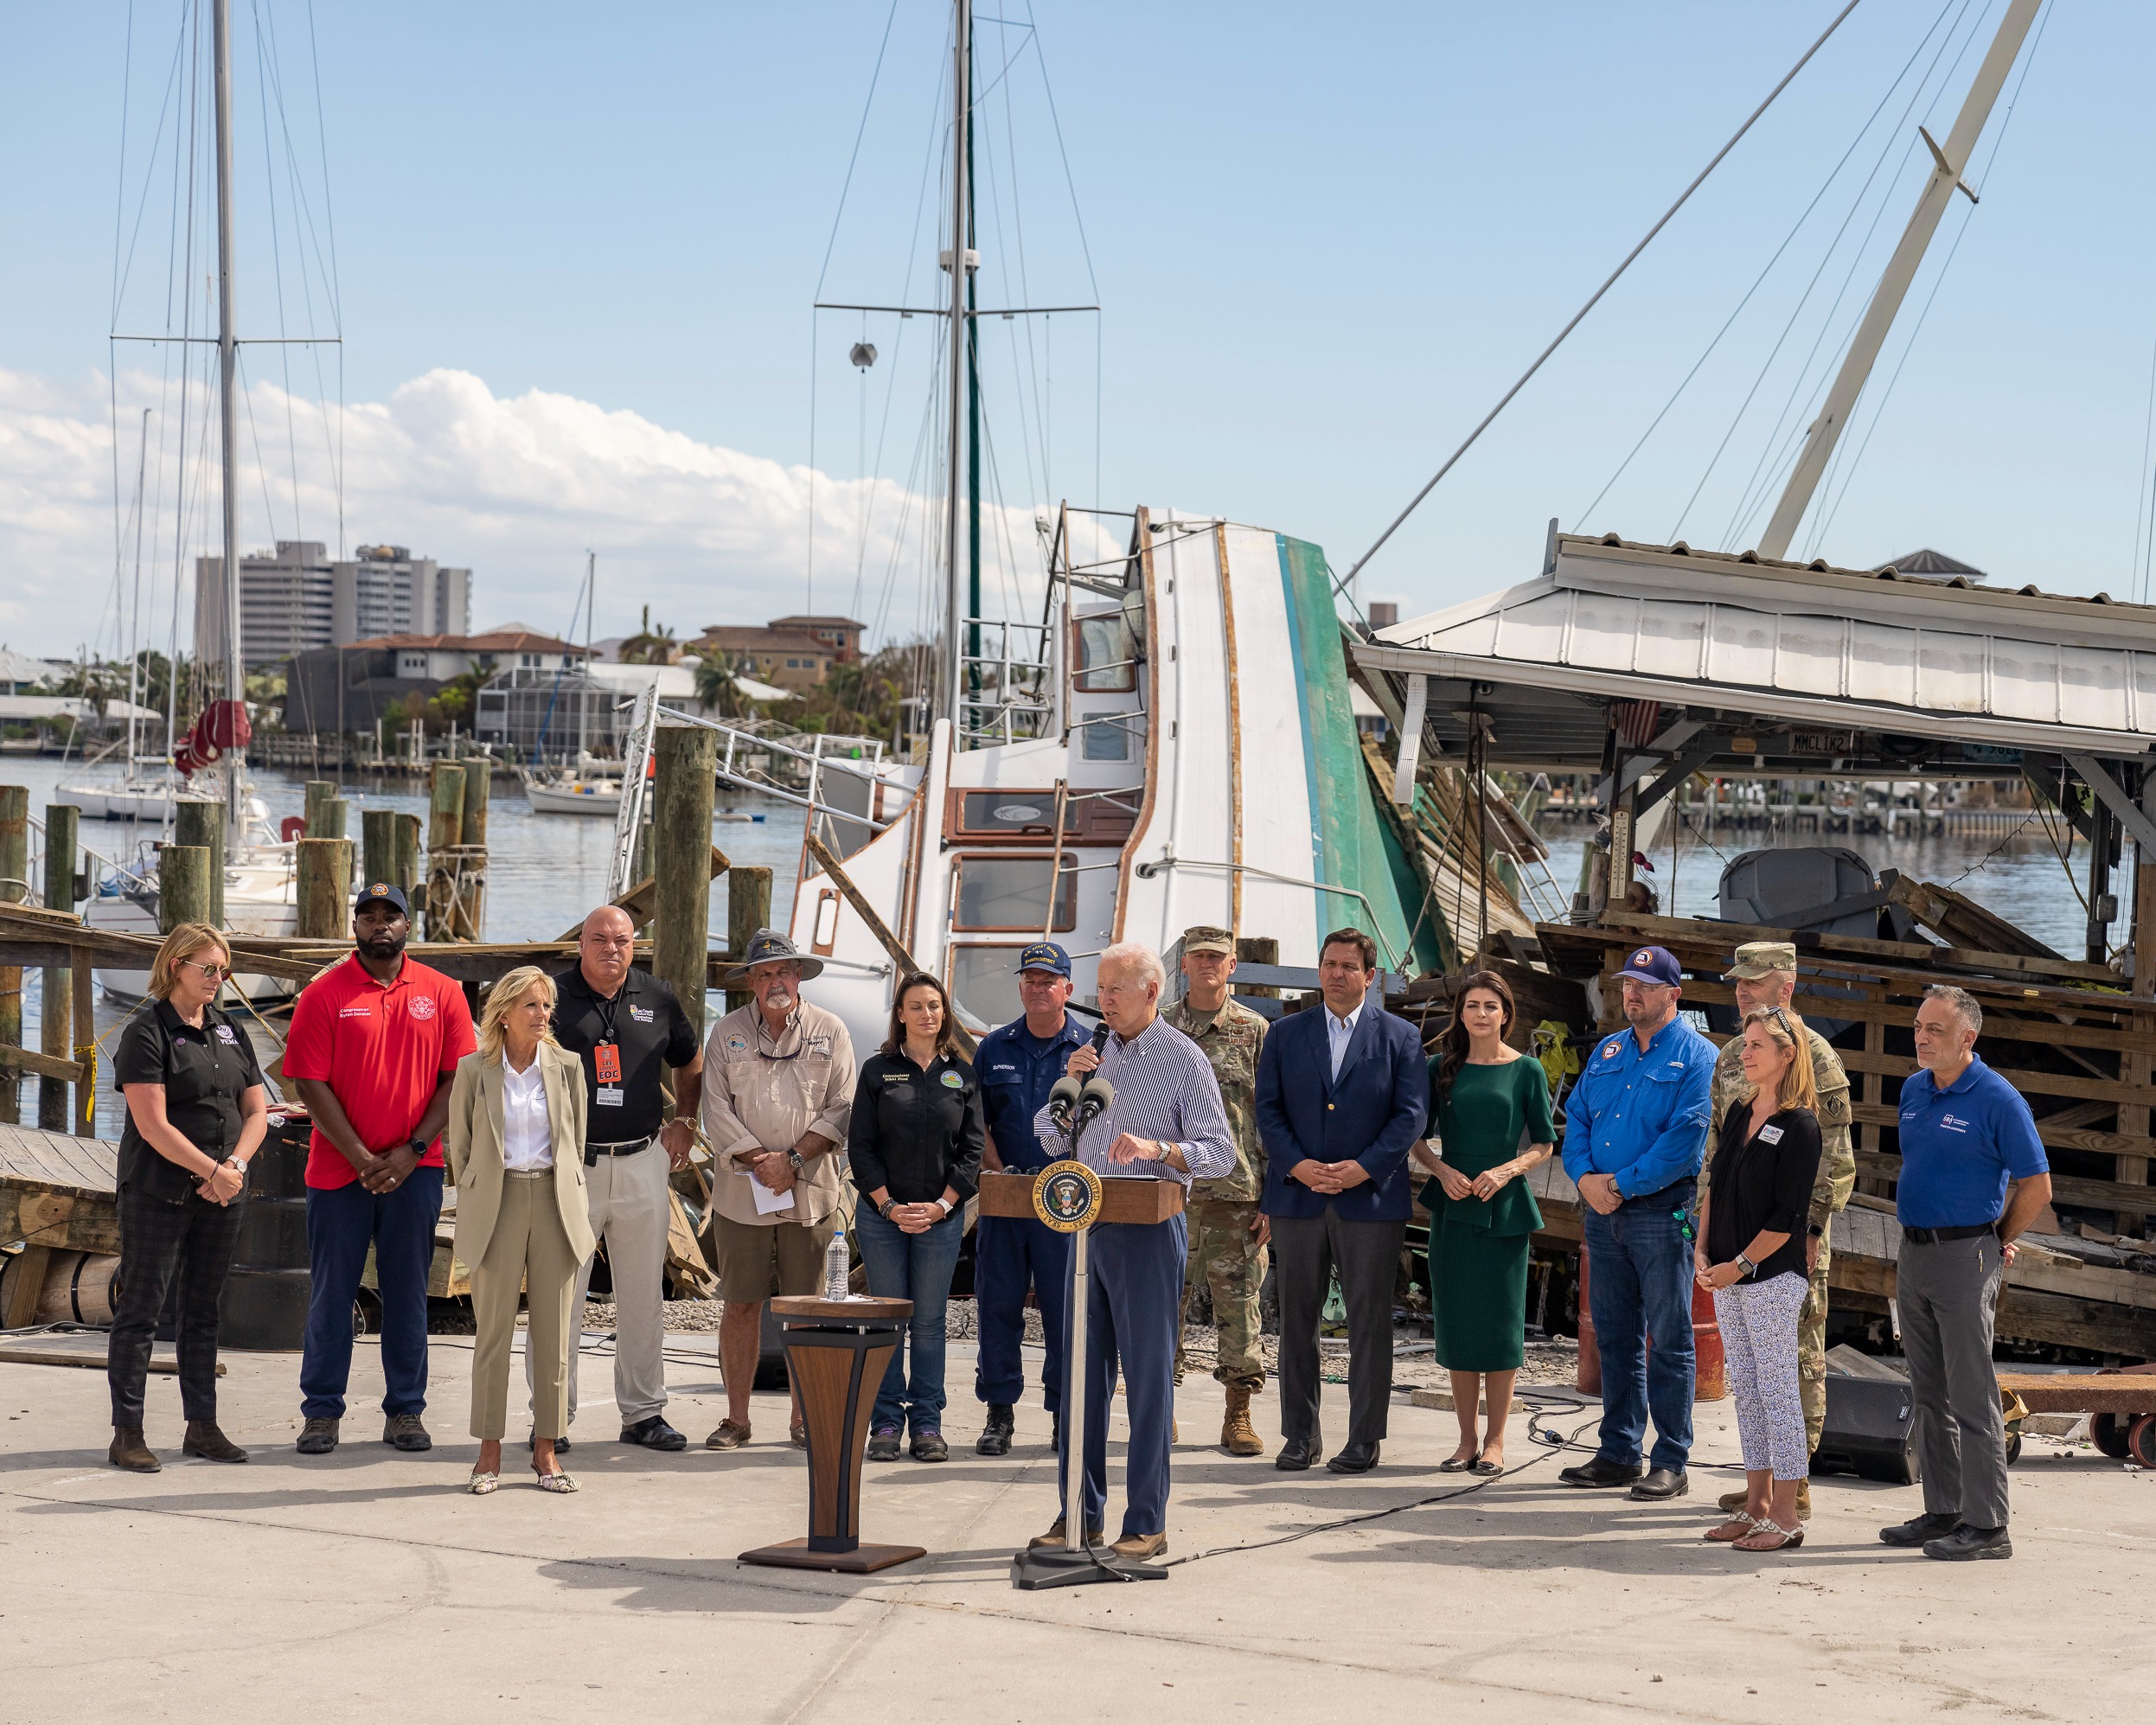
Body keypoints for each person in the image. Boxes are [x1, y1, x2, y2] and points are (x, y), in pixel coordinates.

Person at [1024, 942, 1233, 1561]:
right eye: (1100, 987)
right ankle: (1077, 1515)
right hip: (1084, 1227)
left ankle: (1145, 1520)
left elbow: (1219, 1153)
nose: (1103, 999)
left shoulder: (1182, 1058)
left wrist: (1159, 1150)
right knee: (1081, 1379)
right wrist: (1072, 1079)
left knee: (1145, 1382)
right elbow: (1044, 1135)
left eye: (1114, 988)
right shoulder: (1091, 1054)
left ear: (1150, 992)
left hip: (1147, 1227)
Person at [285, 882, 476, 1456]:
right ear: (355, 928)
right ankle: (321, 1412)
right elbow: (307, 1081)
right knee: (331, 1294)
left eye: (390, 915)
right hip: (339, 1171)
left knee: (407, 1293)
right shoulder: (323, 994)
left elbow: (458, 1078)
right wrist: (362, 1157)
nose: (379, 924)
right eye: (367, 915)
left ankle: (406, 1410)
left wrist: (411, 1150)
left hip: (416, 1169)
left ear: (408, 925)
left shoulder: (444, 993)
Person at [1880, 986, 2051, 1562]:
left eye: (1934, 1029)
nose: (1920, 1036)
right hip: (1914, 1252)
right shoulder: (1912, 1089)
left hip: (1964, 1256)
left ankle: (1988, 1524)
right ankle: (1943, 1509)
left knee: (1970, 1395)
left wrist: (1996, 1239)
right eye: (1917, 1026)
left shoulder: (1997, 1099)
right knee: (1926, 1391)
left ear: (1966, 1038)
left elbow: (2036, 1186)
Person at [1256, 928, 1429, 1474]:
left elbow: (1411, 1116)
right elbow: (1268, 1110)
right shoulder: (1284, 1035)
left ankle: (1363, 1439)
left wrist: (1363, 1168)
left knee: (1368, 1323)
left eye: (1348, 967)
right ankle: (1299, 1436)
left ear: (1369, 976)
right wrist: (1297, 1165)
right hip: (1297, 1196)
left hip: (1370, 1200)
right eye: (1328, 964)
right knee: (1296, 1320)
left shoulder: (1400, 1038)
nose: (1336, 974)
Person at [532, 904, 702, 1453]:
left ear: (636, 945)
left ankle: (644, 1413)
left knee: (642, 1293)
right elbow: (513, 1065)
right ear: (580, 944)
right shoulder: (551, 1000)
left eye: (623, 940)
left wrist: (686, 1121)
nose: (612, 949)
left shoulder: (657, 994)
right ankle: (552, 1418)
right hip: (569, 1166)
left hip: (641, 1159)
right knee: (562, 1296)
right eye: (600, 939)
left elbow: (690, 1060)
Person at [106, 923, 268, 1473]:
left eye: (224, 970)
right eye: (208, 969)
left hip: (221, 1192)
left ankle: (202, 1425)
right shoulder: (147, 1032)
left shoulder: (228, 1029)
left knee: (203, 1311)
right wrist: (210, 1171)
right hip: (158, 1191)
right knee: (141, 1310)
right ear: (177, 965)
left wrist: (235, 1167)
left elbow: (256, 1109)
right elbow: (151, 1124)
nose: (218, 979)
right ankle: (127, 1432)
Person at [1705, 941, 1854, 1524]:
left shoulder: (1815, 1059)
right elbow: (1716, 1150)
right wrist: (1706, 1230)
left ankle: (1794, 1489)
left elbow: (1834, 1159)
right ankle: (1760, 1487)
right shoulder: (1728, 1059)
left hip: (1788, 1240)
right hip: (1733, 1240)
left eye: (1754, 981)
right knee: (1747, 1374)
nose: (1741, 989)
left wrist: (1811, 1227)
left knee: (1795, 1362)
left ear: (1785, 987)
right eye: (1737, 981)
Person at [1558, 943, 1714, 1500]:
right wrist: (1583, 1179)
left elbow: (1684, 1143)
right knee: (1616, 1337)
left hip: (1657, 1213)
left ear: (1674, 994)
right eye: (1627, 984)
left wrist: (1617, 1185)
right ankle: (1619, 1451)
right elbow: (1575, 1118)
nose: (1633, 993)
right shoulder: (1607, 1051)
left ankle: (1671, 1459)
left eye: (1646, 986)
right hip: (1601, 1213)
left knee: (1669, 1340)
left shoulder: (1698, 1057)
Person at [700, 929, 856, 1451]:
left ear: (798, 976)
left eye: (783, 971)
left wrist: (790, 1161)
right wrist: (760, 1161)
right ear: (750, 983)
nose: (774, 982)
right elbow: (714, 1109)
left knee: (808, 1306)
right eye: (764, 974)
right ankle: (737, 1420)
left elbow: (843, 1106)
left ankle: (803, 1418)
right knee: (741, 1305)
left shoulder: (831, 1031)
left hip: (811, 1192)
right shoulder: (725, 1033)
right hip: (741, 1193)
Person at [445, 967, 595, 1495]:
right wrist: (480, 1188)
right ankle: (487, 1454)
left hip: (555, 1201)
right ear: (504, 1013)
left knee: (554, 1335)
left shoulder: (569, 1067)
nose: (543, 1015)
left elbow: (576, 1141)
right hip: (498, 1201)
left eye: (547, 1006)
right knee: (493, 1334)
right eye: (532, 1006)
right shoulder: (473, 1070)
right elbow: (458, 1148)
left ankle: (547, 1453)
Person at [1408, 971, 1553, 1476]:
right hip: (1453, 1206)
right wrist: (1443, 1171)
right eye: (1472, 1005)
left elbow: (1543, 1143)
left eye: (1491, 1005)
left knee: (1500, 1327)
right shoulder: (1437, 1068)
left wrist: (1508, 1169)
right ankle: (1466, 1439)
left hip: (1505, 1212)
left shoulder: (1528, 1070)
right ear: (1461, 1013)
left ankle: (1496, 1441)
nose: (1481, 1014)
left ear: (1506, 1014)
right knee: (1459, 1324)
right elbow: (1417, 1138)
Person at [1696, 1006, 1823, 1553]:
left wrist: (1740, 1265)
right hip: (1724, 1276)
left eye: (1755, 1047)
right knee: (1745, 1395)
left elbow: (1788, 1219)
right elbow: (1713, 1188)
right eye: (1744, 1044)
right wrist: (1702, 1252)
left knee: (1778, 1395)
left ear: (1787, 1055)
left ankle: (1788, 1517)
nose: (1743, 1053)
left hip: (1771, 1279)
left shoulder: (1801, 1126)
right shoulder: (1741, 1109)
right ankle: (1755, 1508)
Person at [848, 974, 983, 1462]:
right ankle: (885, 1422)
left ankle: (927, 1422)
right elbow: (859, 1147)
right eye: (916, 1006)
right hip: (883, 1217)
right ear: (900, 1015)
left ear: (944, 1013)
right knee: (887, 1321)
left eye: (935, 1006)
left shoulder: (962, 1075)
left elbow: (971, 1151)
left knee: (928, 1322)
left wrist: (943, 1206)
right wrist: (888, 1205)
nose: (927, 1014)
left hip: (941, 1218)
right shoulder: (877, 1070)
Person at [970, 942, 1090, 1455]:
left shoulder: (1090, 1048)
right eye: (1030, 980)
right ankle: (999, 1414)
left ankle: (1065, 1413)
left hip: (1066, 1199)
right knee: (997, 1306)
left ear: (1067, 989)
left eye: (1049, 980)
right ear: (1020, 986)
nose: (1038, 988)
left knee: (1067, 1308)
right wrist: (998, 1172)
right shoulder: (994, 1047)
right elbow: (977, 1120)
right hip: (1007, 1197)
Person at [1162, 926, 1271, 1456]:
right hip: (1170, 1192)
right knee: (1163, 1303)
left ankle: (1239, 1414)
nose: (1207, 964)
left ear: (1233, 966)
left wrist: (1274, 1198)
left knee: (1241, 1304)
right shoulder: (1159, 1028)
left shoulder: (1255, 1031)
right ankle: (1161, 1408)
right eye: (1198, 956)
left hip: (1237, 1193)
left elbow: (1270, 1116)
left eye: (1218, 957)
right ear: (1183, 964)